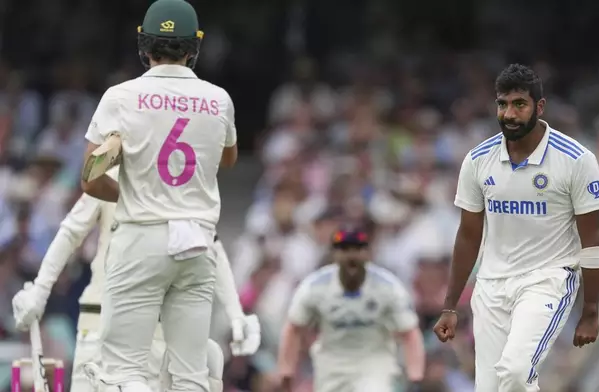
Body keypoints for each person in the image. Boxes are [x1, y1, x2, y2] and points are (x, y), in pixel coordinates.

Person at [79, 0, 239, 390]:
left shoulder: (120, 96)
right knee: (191, 372)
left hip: (141, 237)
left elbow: (90, 178)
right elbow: (228, 160)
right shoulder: (218, 99)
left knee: (124, 369)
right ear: (193, 47)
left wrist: (133, 193)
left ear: (144, 45)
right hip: (197, 241)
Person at [433, 64, 599, 392]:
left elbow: (593, 240)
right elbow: (469, 236)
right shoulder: (478, 160)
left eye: (519, 104)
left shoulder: (576, 160)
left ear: (539, 107)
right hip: (491, 287)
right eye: (502, 104)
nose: (509, 114)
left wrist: (591, 311)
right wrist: (449, 305)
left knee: (514, 373)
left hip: (547, 281)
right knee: (489, 388)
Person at [12, 167, 261, 392]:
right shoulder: (113, 174)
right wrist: (40, 290)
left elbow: (210, 247)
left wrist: (237, 315)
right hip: (99, 324)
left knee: (209, 358)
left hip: (157, 333)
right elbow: (72, 230)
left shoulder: (184, 179)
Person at [277, 227, 425, 392]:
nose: (351, 256)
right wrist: (286, 372)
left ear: (368, 254)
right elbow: (294, 328)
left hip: (374, 363)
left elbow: (409, 333)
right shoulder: (315, 287)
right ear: (335, 255)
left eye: (358, 249)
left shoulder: (388, 287)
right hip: (331, 366)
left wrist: (415, 376)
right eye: (345, 250)